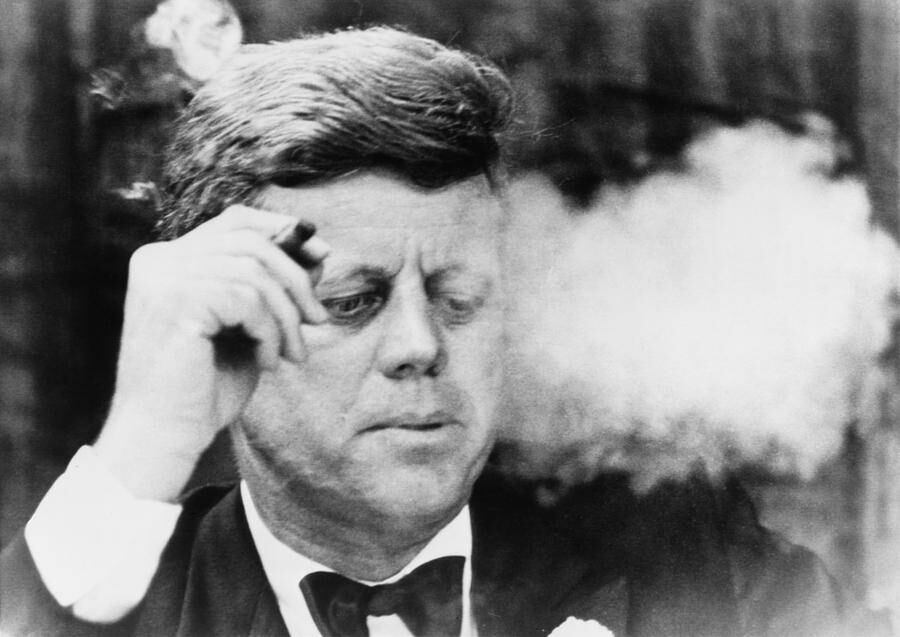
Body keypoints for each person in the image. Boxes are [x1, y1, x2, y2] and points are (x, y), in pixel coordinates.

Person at [0, 26, 886, 637]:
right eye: (354, 300)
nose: (420, 345)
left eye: (459, 296)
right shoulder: (117, 600)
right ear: (228, 330)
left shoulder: (692, 559)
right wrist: (140, 445)